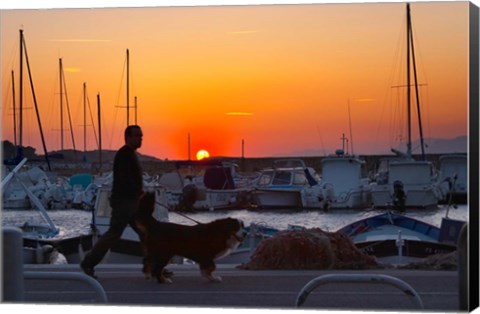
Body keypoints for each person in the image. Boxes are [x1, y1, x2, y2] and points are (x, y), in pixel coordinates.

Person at [80, 125, 146, 278]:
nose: (140, 138)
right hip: (125, 203)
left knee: (145, 233)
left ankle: (155, 265)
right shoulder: (124, 155)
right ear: (128, 137)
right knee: (114, 234)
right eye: (137, 135)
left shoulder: (129, 154)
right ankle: (88, 263)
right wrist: (137, 192)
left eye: (141, 135)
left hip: (130, 202)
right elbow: (124, 180)